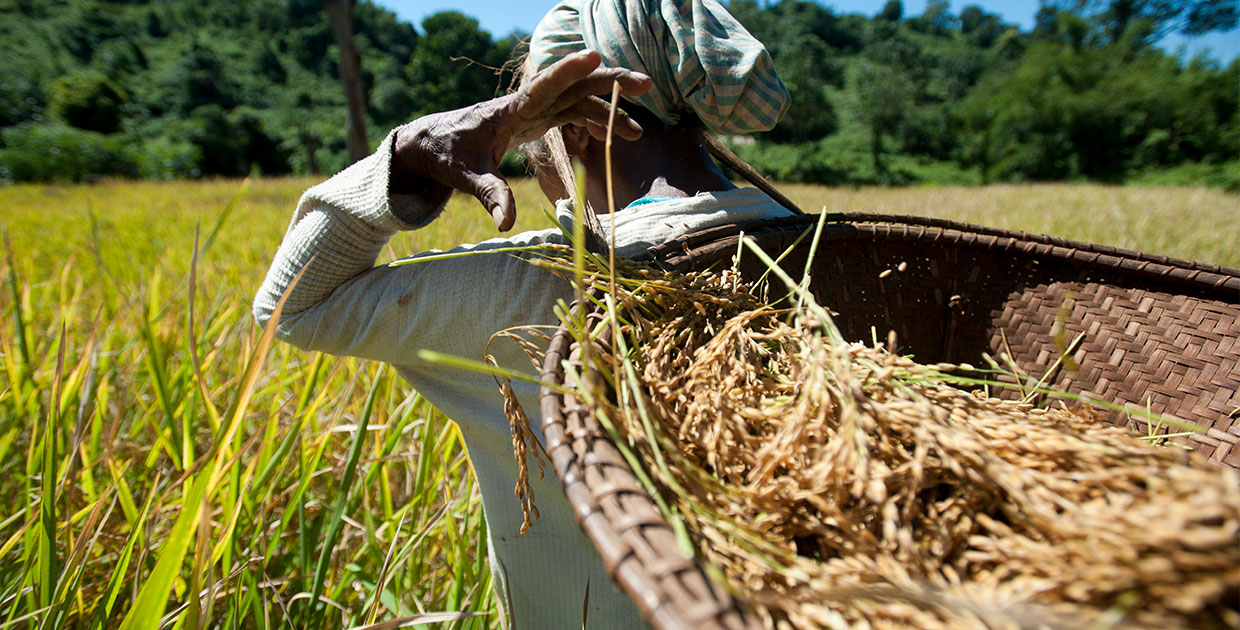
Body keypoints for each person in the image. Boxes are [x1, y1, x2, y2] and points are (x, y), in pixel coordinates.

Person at [253, 1, 793, 627]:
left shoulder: (529, 291)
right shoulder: (822, 260)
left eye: (536, 125)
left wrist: (406, 154)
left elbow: (291, 306)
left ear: (584, 125)